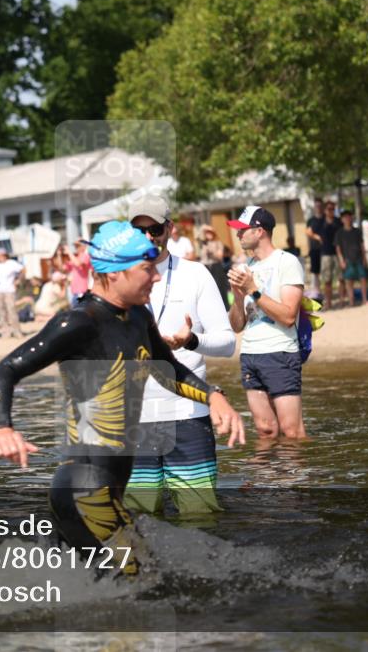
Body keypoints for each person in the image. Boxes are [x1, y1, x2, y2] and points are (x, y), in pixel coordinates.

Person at [0, 221, 244, 575]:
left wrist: (214, 396)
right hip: (84, 491)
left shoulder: (138, 316)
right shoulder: (78, 323)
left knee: (112, 592)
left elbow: (166, 369)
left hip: (108, 488)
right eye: (146, 268)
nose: (155, 277)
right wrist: (3, 427)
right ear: (114, 273)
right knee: (141, 585)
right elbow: (4, 371)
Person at [125, 197, 236, 515]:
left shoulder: (195, 274)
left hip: (187, 416)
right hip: (135, 421)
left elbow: (227, 343)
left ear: (170, 229)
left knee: (198, 519)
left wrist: (191, 341)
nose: (148, 236)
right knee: (139, 525)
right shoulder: (117, 279)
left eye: (155, 228)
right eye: (139, 229)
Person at [227, 207, 307, 440]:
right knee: (265, 430)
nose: (238, 235)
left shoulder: (287, 262)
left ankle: (299, 477)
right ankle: (268, 477)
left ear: (260, 231)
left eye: (243, 230)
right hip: (250, 353)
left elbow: (288, 316)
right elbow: (237, 326)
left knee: (292, 430)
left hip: (280, 352)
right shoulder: (246, 268)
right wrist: (239, 297)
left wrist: (253, 289)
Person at [334, 211, 368, 306]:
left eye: (349, 217)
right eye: (345, 217)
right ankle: (351, 301)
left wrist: (365, 258)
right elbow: (338, 248)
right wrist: (341, 260)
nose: (347, 219)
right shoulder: (339, 233)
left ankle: (365, 300)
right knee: (349, 281)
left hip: (358, 258)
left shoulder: (357, 231)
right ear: (342, 220)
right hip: (347, 260)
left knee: (363, 279)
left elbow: (362, 245)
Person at [0, 248, 25, 339]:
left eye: (3, 255)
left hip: (10, 290)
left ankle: (17, 331)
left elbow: (23, 270)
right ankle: (6, 332)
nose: (1, 257)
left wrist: (18, 280)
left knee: (12, 311)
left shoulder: (12, 263)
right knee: (2, 313)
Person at [317, 201, 343, 308]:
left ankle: (342, 301)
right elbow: (309, 230)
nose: (331, 210)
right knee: (327, 281)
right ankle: (328, 302)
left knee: (341, 279)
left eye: (333, 208)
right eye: (329, 209)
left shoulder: (338, 221)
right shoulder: (320, 221)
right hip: (325, 253)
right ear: (325, 210)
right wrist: (317, 238)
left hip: (338, 253)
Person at [199, 225, 230, 309]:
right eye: (207, 233)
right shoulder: (203, 243)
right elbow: (201, 229)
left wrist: (211, 252)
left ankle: (225, 307)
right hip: (205, 267)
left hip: (216, 266)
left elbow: (220, 257)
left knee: (220, 287)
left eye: (210, 232)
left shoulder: (218, 243)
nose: (208, 234)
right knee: (207, 288)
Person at [64, 239, 92, 307]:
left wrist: (69, 252)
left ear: (84, 246)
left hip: (81, 292)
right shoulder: (75, 257)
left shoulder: (85, 256)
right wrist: (59, 255)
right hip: (74, 292)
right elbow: (63, 269)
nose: (76, 248)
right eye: (75, 246)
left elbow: (78, 264)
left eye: (78, 245)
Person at [305, 204, 325, 292]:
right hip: (314, 249)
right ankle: (316, 292)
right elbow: (307, 232)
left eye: (320, 206)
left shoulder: (325, 219)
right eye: (317, 206)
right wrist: (318, 237)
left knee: (325, 272)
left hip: (326, 250)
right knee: (315, 271)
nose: (319, 208)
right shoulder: (311, 220)